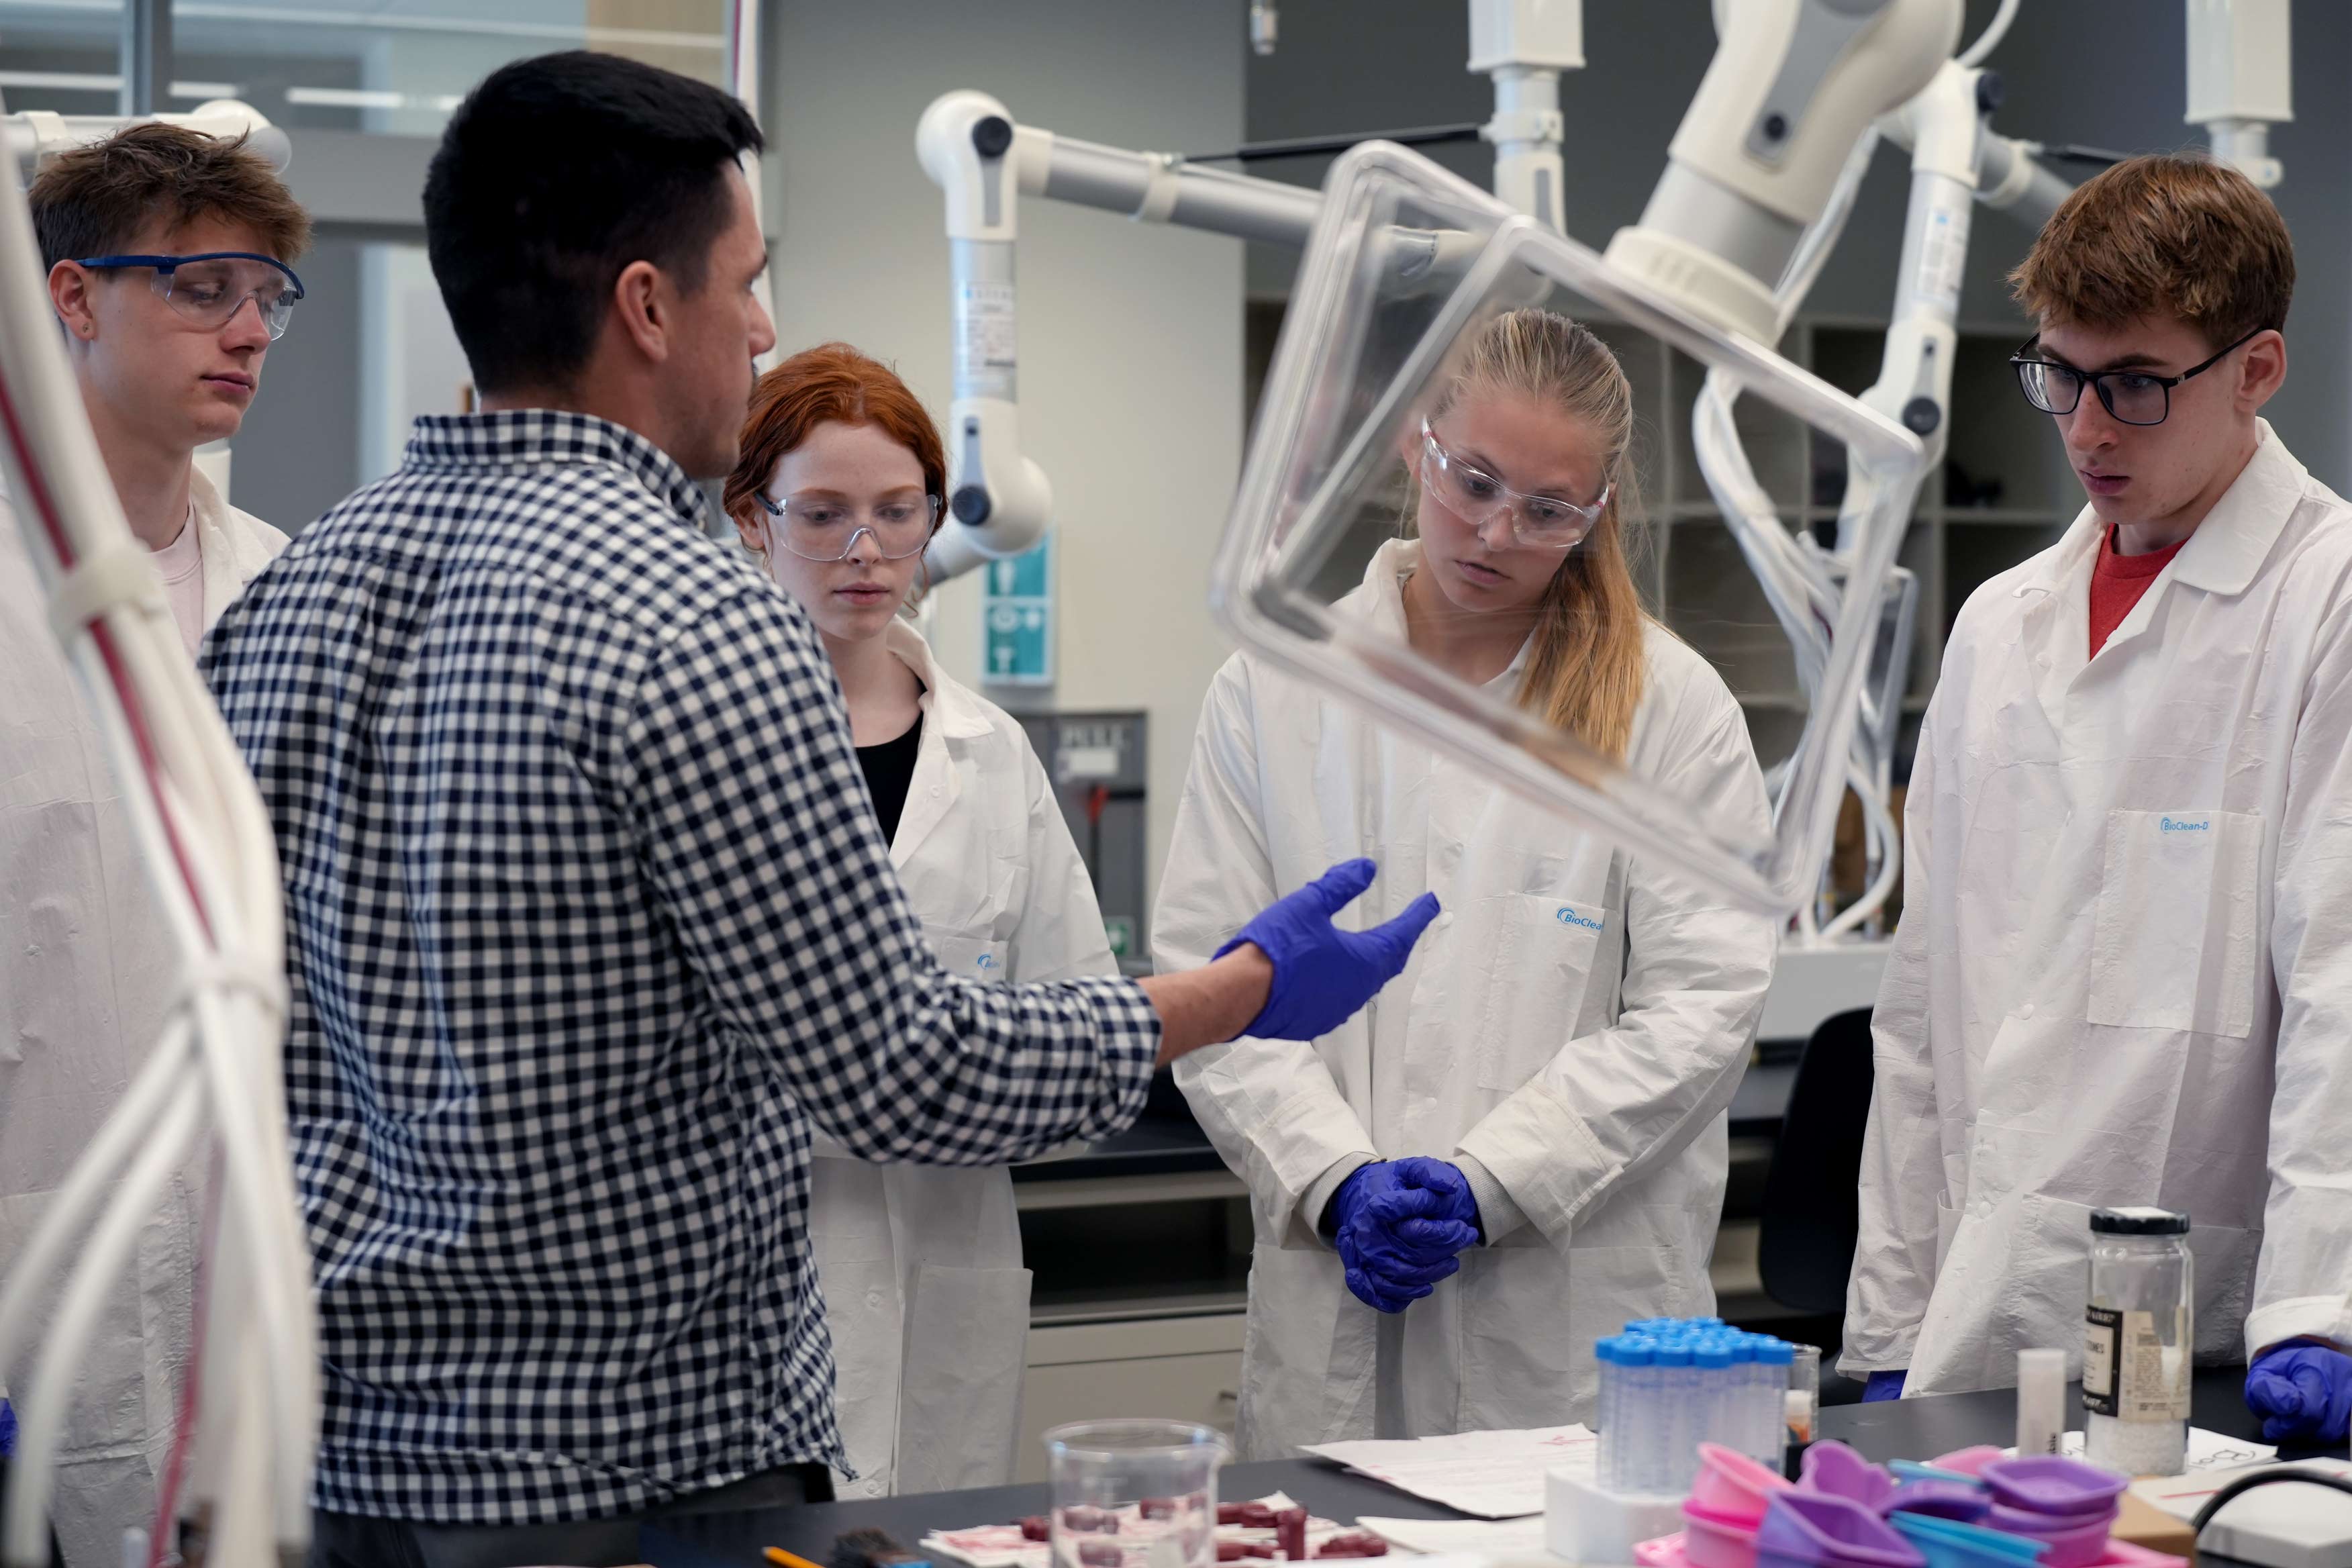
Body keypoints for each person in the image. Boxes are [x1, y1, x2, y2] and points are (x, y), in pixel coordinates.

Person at [196, 52, 1435, 1568]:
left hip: (342, 1461)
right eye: (747, 280)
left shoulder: (285, 601)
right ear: (650, 308)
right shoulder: (695, 618)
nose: (764, 325)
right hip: (630, 1473)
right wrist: (1236, 991)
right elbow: (898, 1067)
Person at [1153, 307, 1779, 1459]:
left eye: (1549, 510)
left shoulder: (1670, 708)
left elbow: (1704, 1005)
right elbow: (1213, 981)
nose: (1497, 531)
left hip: (1571, 1315)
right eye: (1474, 481)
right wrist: (1337, 1182)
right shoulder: (1276, 689)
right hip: (1337, 1310)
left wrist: (1492, 1181)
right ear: (1414, 446)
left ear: (1599, 510)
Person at [1843, 154, 2352, 1443]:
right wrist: (1892, 1324)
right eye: (2060, 376)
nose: (2084, 429)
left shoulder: (2326, 600)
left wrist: (2321, 1305)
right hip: (1970, 1312)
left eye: (2134, 384)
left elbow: (2341, 985)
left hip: (2213, 1333)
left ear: (2256, 369)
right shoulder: (1999, 625)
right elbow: (1921, 1016)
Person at [720, 342, 1114, 1495]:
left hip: (950, 1276)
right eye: (824, 514)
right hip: (750, 1293)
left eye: (900, 513)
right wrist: (924, 1075)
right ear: (752, 516)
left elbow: (1079, 1028)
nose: (866, 550)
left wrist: (948, 1079)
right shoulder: (708, 738)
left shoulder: (992, 757)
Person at [0, 123, 309, 1567]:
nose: (250, 328)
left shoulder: (292, 587)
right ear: (70, 298)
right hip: (41, 1258)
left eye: (269, 295)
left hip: (264, 1268)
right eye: (203, 288)